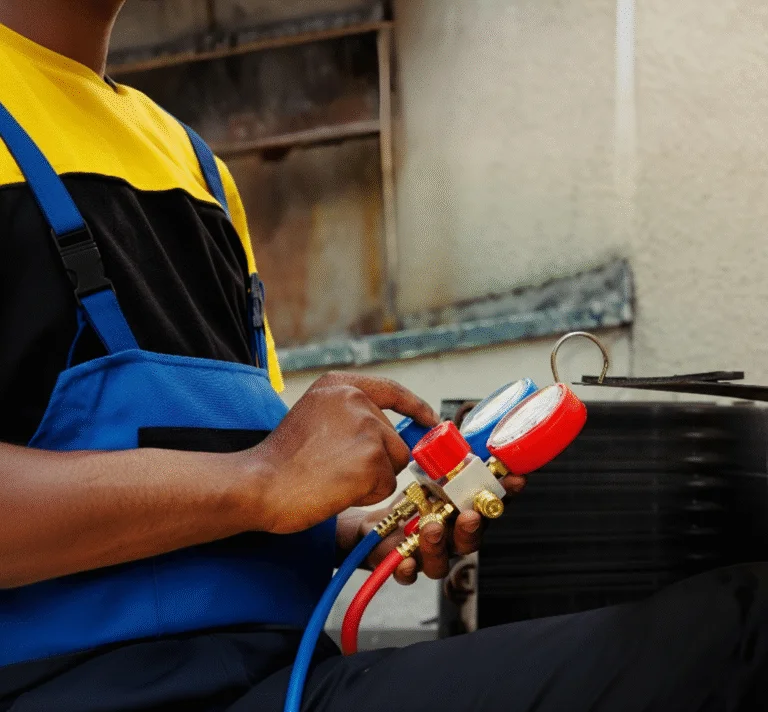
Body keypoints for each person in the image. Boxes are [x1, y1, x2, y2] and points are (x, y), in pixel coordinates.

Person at [0, 2, 766, 711]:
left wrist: (357, 522)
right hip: (79, 690)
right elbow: (255, 478)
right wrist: (263, 479)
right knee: (734, 642)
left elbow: (237, 483)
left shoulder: (195, 164)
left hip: (283, 675)